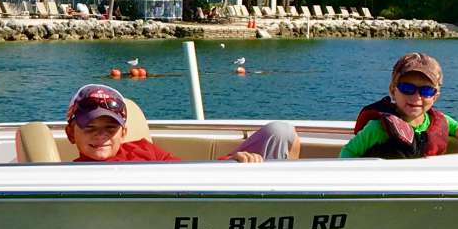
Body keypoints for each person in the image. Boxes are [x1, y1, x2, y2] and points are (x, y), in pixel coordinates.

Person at [64, 83, 300, 164]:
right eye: (90, 128)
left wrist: (232, 162)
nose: (101, 136)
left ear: (123, 132)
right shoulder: (71, 176)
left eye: (110, 128)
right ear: (71, 133)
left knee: (280, 131)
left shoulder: (145, 150)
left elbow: (191, 171)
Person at [339, 51, 458, 159]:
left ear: (435, 97)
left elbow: (448, 122)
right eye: (407, 89)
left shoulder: (438, 121)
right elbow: (348, 152)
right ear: (392, 90)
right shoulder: (377, 129)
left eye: (426, 91)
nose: (416, 97)